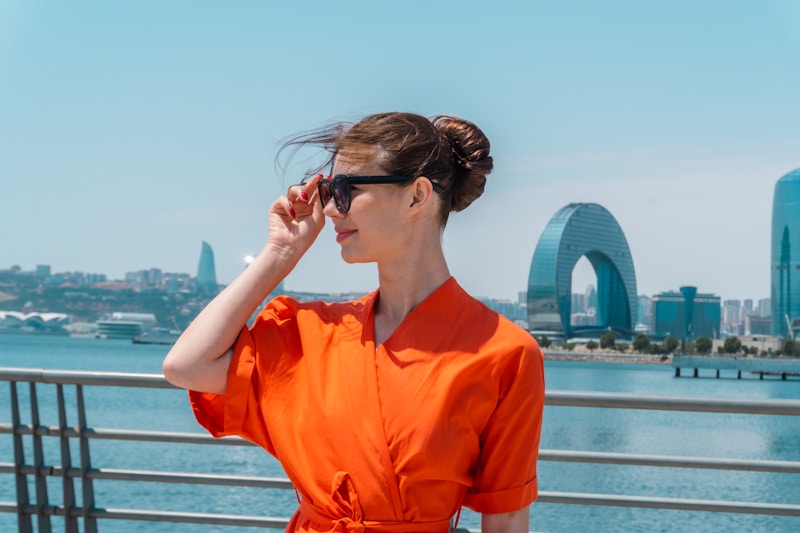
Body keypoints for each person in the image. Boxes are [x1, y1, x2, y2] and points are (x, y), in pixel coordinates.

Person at [162, 112, 545, 533]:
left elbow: (506, 519)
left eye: (346, 189)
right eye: (328, 190)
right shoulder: (308, 334)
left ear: (417, 196)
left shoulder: (504, 353)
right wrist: (280, 252)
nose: (329, 208)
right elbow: (187, 366)